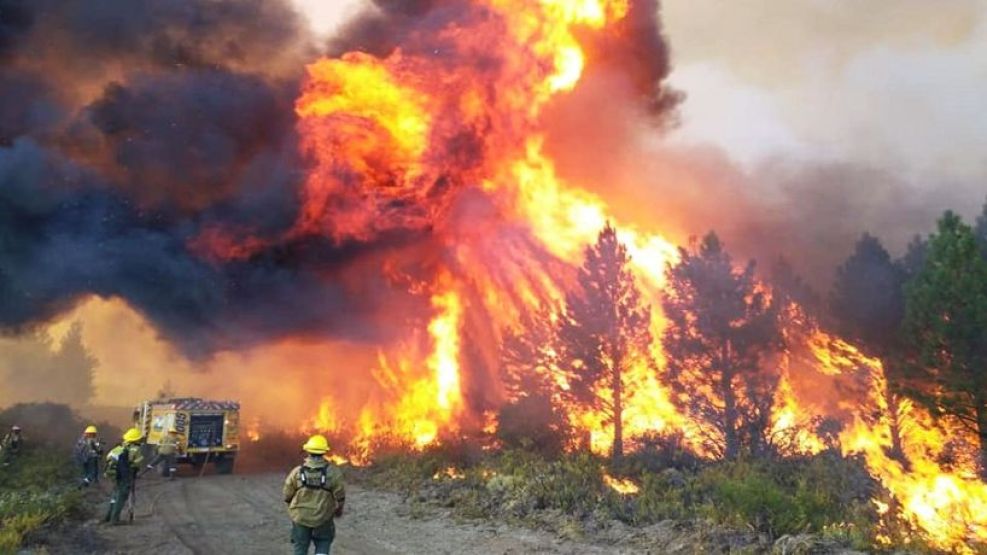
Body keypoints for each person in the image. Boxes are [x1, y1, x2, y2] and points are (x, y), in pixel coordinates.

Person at [283, 435, 345, 555]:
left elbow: (287, 495)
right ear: (324, 452)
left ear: (308, 451)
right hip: (323, 518)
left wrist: (291, 506)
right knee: (323, 542)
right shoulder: (333, 473)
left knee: (300, 547)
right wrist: (339, 509)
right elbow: (340, 496)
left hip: (300, 518)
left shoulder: (297, 472)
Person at [104, 428, 144, 524]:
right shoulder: (136, 449)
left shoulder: (119, 447)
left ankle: (108, 516)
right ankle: (114, 520)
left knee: (115, 495)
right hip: (124, 475)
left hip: (112, 474)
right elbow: (137, 464)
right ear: (136, 439)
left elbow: (108, 458)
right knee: (121, 496)